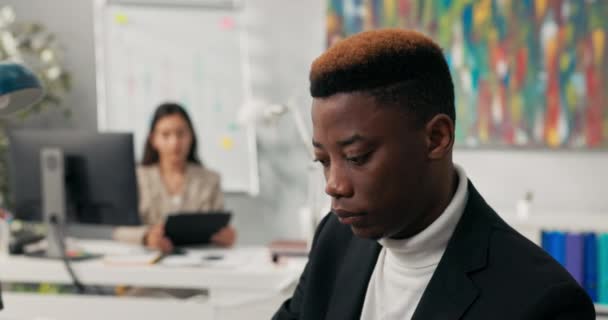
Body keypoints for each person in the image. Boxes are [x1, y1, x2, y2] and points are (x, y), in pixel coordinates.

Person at [273, 29, 594, 319]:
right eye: (323, 160)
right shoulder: (336, 238)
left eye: (357, 157)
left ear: (437, 138)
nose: (334, 185)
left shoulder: (544, 302)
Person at [114, 102, 236, 252]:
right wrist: (146, 236)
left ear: (191, 136)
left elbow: (219, 228)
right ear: (153, 139)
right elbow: (118, 230)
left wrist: (226, 236)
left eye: (181, 134)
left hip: (198, 265)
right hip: (147, 265)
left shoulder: (210, 179)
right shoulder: (137, 178)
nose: (175, 143)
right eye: (166, 135)